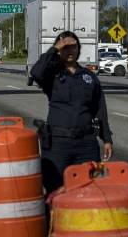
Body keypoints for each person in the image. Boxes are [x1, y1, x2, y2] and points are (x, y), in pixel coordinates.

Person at [30, 31, 114, 197]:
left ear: (78, 49)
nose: (70, 51)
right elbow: (36, 72)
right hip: (58, 144)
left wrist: (107, 139)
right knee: (55, 192)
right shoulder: (52, 75)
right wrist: (54, 48)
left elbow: (99, 108)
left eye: (73, 46)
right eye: (65, 47)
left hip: (86, 143)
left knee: (89, 190)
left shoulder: (88, 76)